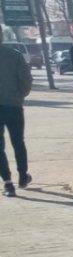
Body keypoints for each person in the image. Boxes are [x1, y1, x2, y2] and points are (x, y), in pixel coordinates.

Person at [0, 38, 33, 198]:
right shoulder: (15, 55)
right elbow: (26, 80)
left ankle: (7, 183)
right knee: (18, 142)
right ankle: (23, 176)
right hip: (13, 105)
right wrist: (19, 95)